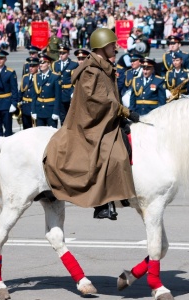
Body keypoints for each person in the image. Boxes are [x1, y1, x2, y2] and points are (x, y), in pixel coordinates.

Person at [43, 28, 139, 221]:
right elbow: (98, 101)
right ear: (103, 46)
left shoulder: (103, 66)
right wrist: (124, 111)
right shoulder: (90, 71)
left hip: (106, 116)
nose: (116, 47)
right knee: (113, 153)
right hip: (90, 121)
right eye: (112, 45)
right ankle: (102, 203)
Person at [31, 54, 61, 128]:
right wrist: (33, 111)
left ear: (49, 64)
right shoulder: (36, 76)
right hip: (39, 110)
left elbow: (58, 97)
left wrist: (56, 112)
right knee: (39, 134)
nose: (41, 65)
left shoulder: (55, 77)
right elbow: (34, 96)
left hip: (50, 110)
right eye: (40, 62)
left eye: (43, 62)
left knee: (51, 135)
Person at [51, 44, 78, 125]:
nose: (61, 55)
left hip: (68, 92)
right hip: (58, 93)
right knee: (62, 115)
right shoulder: (55, 64)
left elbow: (75, 80)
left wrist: (73, 92)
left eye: (63, 53)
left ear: (68, 53)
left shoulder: (73, 64)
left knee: (70, 115)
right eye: (60, 53)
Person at [0, 49, 18, 136]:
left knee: (8, 128)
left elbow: (14, 89)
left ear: (5, 59)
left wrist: (14, 103)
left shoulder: (10, 72)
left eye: (1, 58)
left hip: (6, 103)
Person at [19, 57, 39, 129]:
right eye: (30, 66)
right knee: (26, 128)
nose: (31, 68)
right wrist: (18, 102)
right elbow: (21, 91)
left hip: (34, 105)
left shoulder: (39, 77)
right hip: (25, 106)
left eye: (33, 66)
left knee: (35, 128)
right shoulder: (25, 77)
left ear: (37, 67)